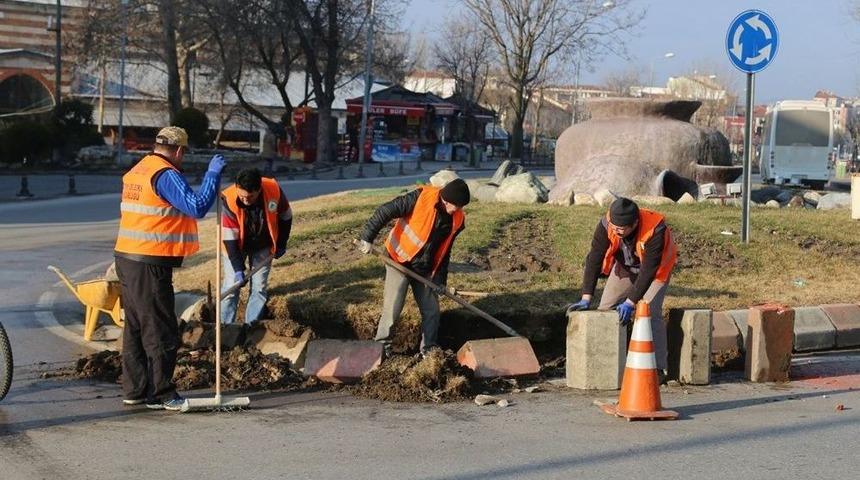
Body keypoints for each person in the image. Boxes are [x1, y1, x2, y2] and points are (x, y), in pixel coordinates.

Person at [114, 126, 225, 411]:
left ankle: (136, 390)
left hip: (127, 258)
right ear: (178, 150)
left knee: (136, 327)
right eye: (183, 153)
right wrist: (212, 175)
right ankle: (161, 393)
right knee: (161, 329)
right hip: (149, 262)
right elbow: (196, 206)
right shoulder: (165, 174)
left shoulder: (139, 169)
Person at [356, 179, 470, 357]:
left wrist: (440, 280)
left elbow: (444, 251)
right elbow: (385, 210)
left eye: (461, 207)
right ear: (446, 200)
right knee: (393, 307)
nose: (458, 210)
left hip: (423, 267)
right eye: (456, 206)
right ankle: (381, 348)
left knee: (431, 310)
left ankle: (429, 350)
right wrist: (367, 237)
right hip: (398, 259)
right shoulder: (419, 198)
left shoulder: (457, 219)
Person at [566, 197, 677, 379]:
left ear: (634, 223)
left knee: (648, 312)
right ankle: (610, 364)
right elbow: (594, 258)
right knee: (605, 310)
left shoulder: (655, 228)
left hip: (656, 272)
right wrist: (586, 297)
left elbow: (648, 271)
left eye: (621, 228)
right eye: (614, 226)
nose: (616, 231)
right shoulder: (606, 224)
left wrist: (630, 302)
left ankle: (657, 369)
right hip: (625, 268)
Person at [220, 168, 292, 324]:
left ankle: (251, 327)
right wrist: (238, 269)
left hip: (263, 244)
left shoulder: (273, 190)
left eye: (250, 197)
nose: (245, 200)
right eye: (242, 196)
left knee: (259, 288)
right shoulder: (229, 199)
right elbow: (230, 238)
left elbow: (286, 216)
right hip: (235, 245)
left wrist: (281, 243)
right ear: (237, 187)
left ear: (259, 190)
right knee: (231, 288)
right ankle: (225, 327)